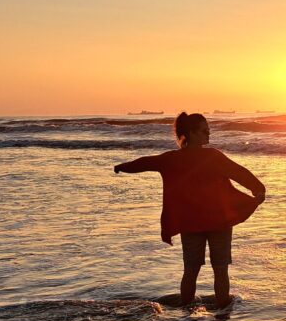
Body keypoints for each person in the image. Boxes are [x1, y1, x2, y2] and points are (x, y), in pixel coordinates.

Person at [113, 112, 265, 308]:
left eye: (208, 131)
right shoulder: (212, 157)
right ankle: (221, 314)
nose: (208, 135)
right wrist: (258, 189)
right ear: (191, 133)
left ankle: (186, 314)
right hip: (219, 222)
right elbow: (239, 173)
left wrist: (122, 167)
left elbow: (145, 163)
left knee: (191, 270)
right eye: (204, 131)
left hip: (191, 223)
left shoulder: (173, 159)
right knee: (220, 270)